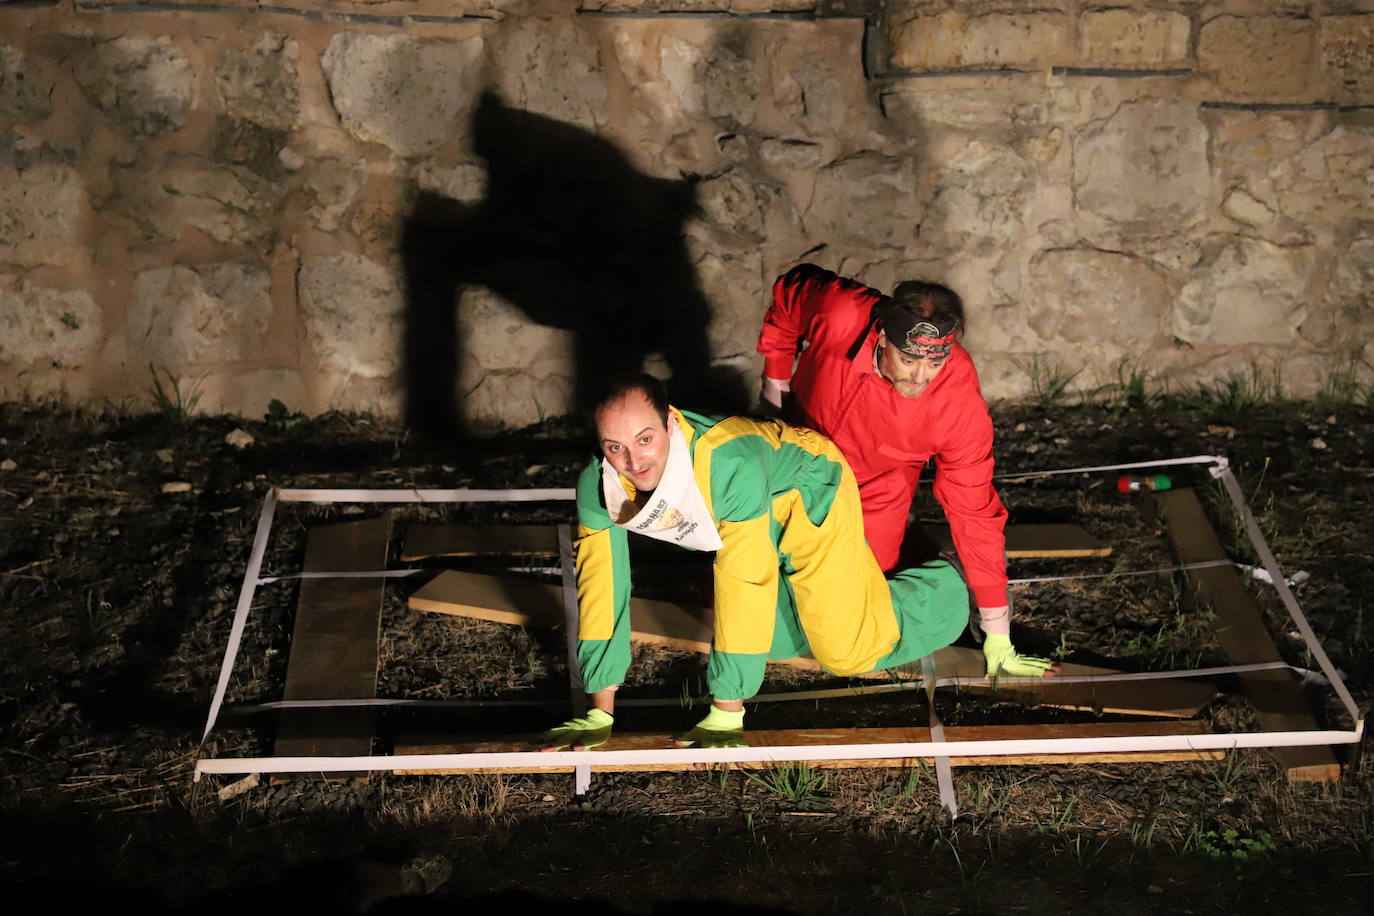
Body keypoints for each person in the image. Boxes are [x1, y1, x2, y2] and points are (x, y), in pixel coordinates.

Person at [542, 374, 969, 751]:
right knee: (772, 642)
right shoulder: (598, 484)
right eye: (615, 447)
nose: (634, 462)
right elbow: (600, 587)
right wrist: (601, 708)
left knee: (847, 653)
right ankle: (844, 598)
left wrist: (727, 709)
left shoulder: (728, 463)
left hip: (805, 490)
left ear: (670, 423)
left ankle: (946, 581)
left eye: (645, 439)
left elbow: (744, 578)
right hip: (750, 511)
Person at [757, 263, 1055, 679]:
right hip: (797, 455)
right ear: (882, 336)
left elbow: (973, 509)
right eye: (908, 359)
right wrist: (776, 385)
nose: (921, 378)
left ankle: (949, 581)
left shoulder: (957, 404)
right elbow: (789, 293)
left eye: (934, 364)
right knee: (758, 609)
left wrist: (997, 632)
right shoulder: (841, 313)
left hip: (881, 485)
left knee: (851, 615)